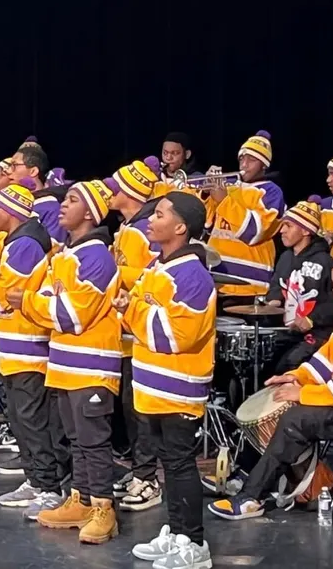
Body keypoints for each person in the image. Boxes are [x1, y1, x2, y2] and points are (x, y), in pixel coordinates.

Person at [210, 252, 333, 523]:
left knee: (296, 417)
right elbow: (323, 362)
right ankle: (259, 477)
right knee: (282, 402)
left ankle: (252, 496)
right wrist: (295, 377)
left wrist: (303, 393)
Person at [16, 180, 121, 545]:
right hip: (64, 362)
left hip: (92, 363)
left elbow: (71, 315)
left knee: (93, 440)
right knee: (76, 438)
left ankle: (104, 508)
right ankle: (81, 499)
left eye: (73, 200)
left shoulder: (96, 256)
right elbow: (48, 302)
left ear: (91, 213)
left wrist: (27, 300)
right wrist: (39, 302)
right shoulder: (63, 254)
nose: (63, 205)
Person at [122, 192, 215, 569]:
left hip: (178, 388)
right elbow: (147, 318)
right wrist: (139, 308)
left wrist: (132, 307)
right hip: (154, 387)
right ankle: (177, 533)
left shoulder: (192, 275)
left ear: (180, 227)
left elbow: (173, 336)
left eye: (159, 215)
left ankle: (195, 545)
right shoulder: (159, 267)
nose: (151, 219)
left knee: (180, 465)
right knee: (169, 464)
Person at [0, 181, 62, 511]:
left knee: (32, 421)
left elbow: (3, 297)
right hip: (14, 346)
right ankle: (35, 480)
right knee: (19, 420)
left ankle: (49, 487)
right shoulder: (17, 241)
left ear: (9, 212)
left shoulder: (25, 244)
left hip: (28, 347)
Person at [108, 157, 163, 512]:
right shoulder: (129, 228)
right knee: (129, 408)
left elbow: (155, 274)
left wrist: (115, 270)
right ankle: (139, 471)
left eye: (115, 186)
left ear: (129, 192)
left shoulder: (144, 230)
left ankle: (148, 479)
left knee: (140, 410)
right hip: (127, 334)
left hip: (143, 333)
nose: (109, 191)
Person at [262, 197, 333, 375]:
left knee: (290, 364)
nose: (282, 231)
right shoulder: (285, 258)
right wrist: (272, 303)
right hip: (287, 332)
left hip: (317, 333)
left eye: (288, 226)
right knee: (261, 361)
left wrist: (311, 318)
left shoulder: (326, 262)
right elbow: (276, 287)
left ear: (305, 230)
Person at [205, 130, 284, 298]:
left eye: (252, 160)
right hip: (218, 280)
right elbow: (205, 223)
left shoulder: (271, 192)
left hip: (250, 286)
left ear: (264, 165)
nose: (244, 165)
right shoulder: (229, 187)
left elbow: (255, 232)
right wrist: (205, 193)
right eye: (242, 158)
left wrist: (224, 201)